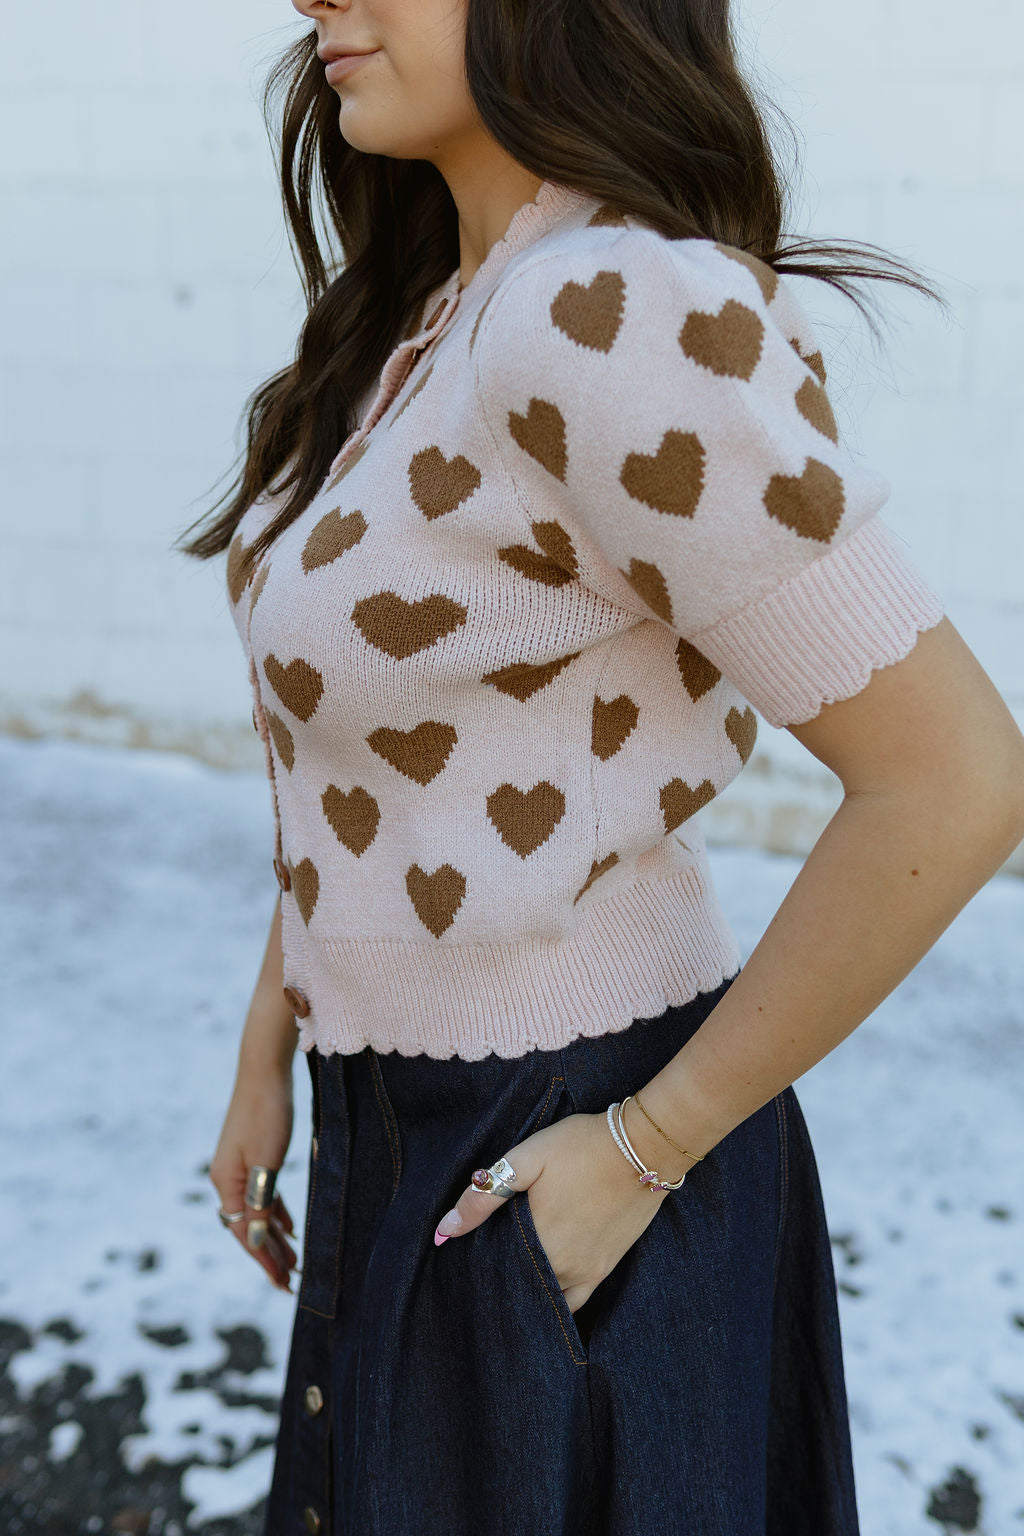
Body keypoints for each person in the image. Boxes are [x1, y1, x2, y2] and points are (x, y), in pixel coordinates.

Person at [176, 1, 1024, 1531]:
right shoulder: (436, 317)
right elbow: (371, 771)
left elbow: (957, 779)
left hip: (561, 1135)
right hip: (405, 1118)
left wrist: (648, 1147)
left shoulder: (609, 313)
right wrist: (270, 1040)